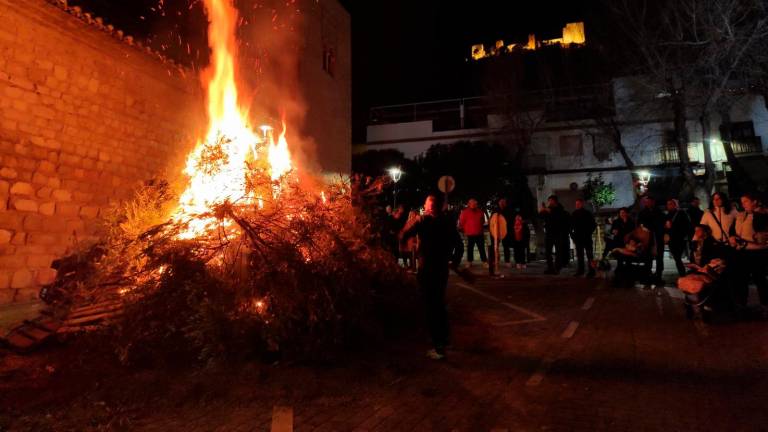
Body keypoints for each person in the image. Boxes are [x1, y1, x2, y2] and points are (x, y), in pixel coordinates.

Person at [401, 195, 462, 360]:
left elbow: (404, 234)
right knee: (439, 303)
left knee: (431, 306)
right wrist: (454, 262)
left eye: (426, 203)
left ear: (430, 207)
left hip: (427, 269)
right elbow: (460, 245)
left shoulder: (423, 221)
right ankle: (445, 339)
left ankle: (438, 347)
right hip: (442, 269)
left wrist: (407, 243)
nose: (424, 205)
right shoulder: (448, 223)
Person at [729, 193, 768, 311]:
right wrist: (732, 237)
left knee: (760, 279)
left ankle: (765, 304)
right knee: (741, 279)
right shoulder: (741, 215)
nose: (743, 204)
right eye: (742, 202)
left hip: (757, 254)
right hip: (741, 253)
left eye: (746, 201)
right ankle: (741, 303)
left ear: (754, 202)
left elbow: (763, 239)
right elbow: (732, 230)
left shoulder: (763, 215)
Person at [540, 195, 570, 274]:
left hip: (558, 233)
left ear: (554, 201)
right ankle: (550, 267)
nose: (549, 202)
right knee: (548, 252)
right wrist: (542, 210)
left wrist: (547, 210)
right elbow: (541, 216)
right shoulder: (548, 209)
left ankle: (557, 268)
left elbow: (557, 216)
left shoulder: (560, 209)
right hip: (549, 233)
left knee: (558, 252)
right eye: (548, 201)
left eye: (550, 201)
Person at [637, 195, 665, 282]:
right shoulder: (642, 212)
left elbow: (662, 223)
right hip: (647, 237)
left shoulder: (659, 212)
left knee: (659, 256)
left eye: (650, 201)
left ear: (653, 202)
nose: (649, 203)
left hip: (657, 236)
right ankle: (648, 273)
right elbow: (639, 223)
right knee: (647, 256)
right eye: (647, 202)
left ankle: (658, 274)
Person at [664, 199, 692, 276]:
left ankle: (682, 273)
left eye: (670, 204)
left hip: (680, 239)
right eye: (668, 204)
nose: (669, 206)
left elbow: (687, 225)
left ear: (675, 205)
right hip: (671, 239)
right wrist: (666, 227)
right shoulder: (667, 215)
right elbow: (665, 227)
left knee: (677, 257)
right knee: (677, 257)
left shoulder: (681, 213)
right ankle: (682, 273)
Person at [570, 199, 597, 277]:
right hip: (578, 238)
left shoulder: (587, 213)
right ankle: (580, 270)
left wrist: (588, 233)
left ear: (582, 204)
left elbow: (593, 225)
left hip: (587, 237)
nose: (577, 205)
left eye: (578, 204)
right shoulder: (574, 214)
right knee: (580, 255)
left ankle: (591, 271)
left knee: (589, 255)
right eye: (576, 204)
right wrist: (572, 235)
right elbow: (571, 225)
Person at [458, 198, 487, 267]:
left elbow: (482, 221)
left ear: (476, 204)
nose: (474, 205)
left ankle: (484, 262)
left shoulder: (480, 212)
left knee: (481, 248)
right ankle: (469, 262)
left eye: (475, 204)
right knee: (469, 249)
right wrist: (463, 232)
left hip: (479, 233)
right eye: (472, 203)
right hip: (469, 234)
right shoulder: (464, 212)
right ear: (468, 204)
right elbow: (461, 223)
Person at [488, 203, 508, 276]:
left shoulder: (503, 214)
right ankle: (494, 263)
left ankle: (498, 262)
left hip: (500, 232)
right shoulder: (494, 215)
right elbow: (492, 224)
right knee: (493, 248)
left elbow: (503, 224)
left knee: (498, 247)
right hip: (493, 234)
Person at [497, 198, 515, 266]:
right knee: (497, 246)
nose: (501, 204)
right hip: (499, 231)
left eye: (503, 203)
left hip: (508, 231)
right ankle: (496, 260)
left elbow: (511, 220)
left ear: (505, 203)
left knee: (507, 246)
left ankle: (507, 261)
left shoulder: (509, 210)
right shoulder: (497, 211)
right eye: (500, 203)